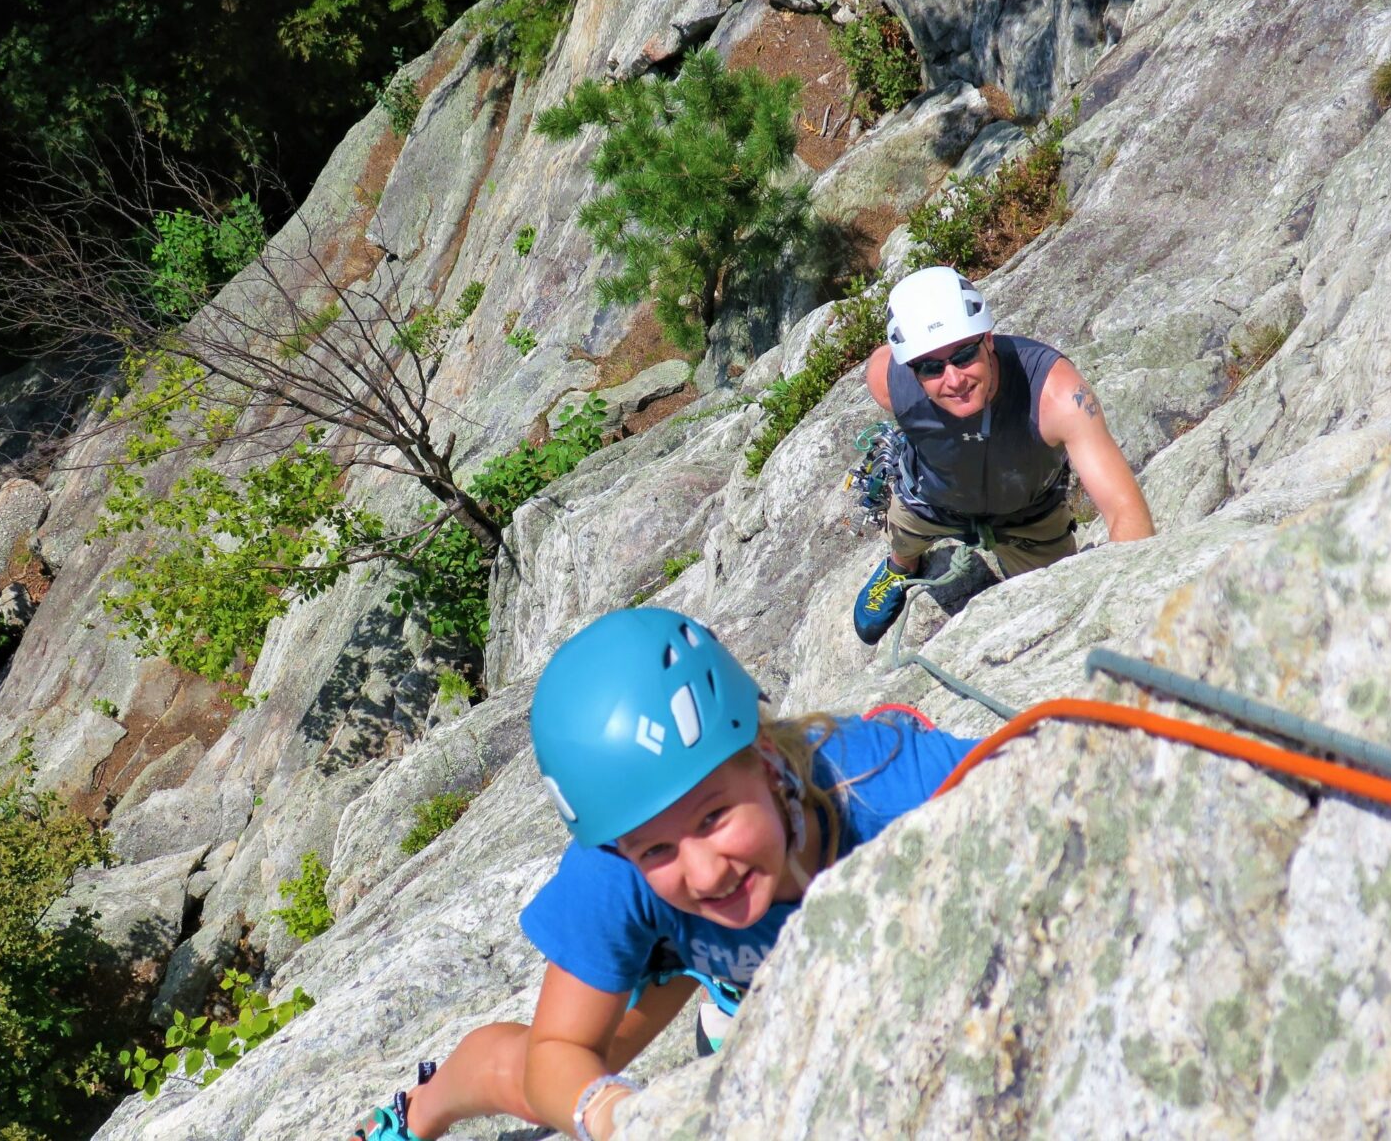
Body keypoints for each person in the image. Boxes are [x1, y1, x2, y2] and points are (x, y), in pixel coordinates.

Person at [349, 607, 979, 1141]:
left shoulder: (896, 793)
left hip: (755, 923)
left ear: (765, 760)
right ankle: (420, 1110)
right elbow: (556, 1055)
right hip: (688, 938)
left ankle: (740, 977)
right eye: (655, 849)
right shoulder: (614, 868)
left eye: (714, 817)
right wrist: (616, 1116)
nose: (704, 873)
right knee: (544, 1085)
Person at [852, 265, 1156, 646]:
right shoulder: (889, 382)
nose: (954, 379)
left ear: (988, 340)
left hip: (1029, 515)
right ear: (912, 370)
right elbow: (880, 362)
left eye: (964, 355)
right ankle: (901, 565)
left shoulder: (1055, 395)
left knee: (1052, 605)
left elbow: (1125, 511)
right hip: (930, 499)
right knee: (904, 534)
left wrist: (1128, 617)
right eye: (931, 367)